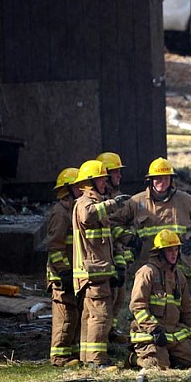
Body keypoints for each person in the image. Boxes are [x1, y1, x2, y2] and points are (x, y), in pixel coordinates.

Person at [72, 158, 130, 369]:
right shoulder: (85, 203)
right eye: (101, 180)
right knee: (101, 316)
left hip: (98, 270)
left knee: (90, 316)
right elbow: (88, 216)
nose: (105, 183)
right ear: (90, 183)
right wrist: (113, 203)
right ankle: (97, 360)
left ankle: (87, 358)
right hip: (93, 272)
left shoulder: (95, 203)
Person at [117, 157, 191, 278]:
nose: (162, 182)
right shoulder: (136, 202)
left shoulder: (185, 201)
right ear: (150, 180)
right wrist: (130, 240)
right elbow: (115, 223)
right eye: (158, 178)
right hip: (147, 265)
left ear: (171, 180)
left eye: (166, 178)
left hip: (178, 266)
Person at [128, 230, 191, 370]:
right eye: (169, 250)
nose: (174, 254)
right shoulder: (147, 272)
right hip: (150, 333)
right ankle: (134, 359)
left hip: (172, 333)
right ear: (160, 252)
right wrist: (154, 329)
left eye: (176, 249)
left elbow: (187, 309)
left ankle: (169, 355)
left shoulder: (179, 276)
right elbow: (137, 306)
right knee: (158, 366)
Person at [45, 167, 82, 366]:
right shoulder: (60, 213)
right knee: (65, 316)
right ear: (67, 189)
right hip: (61, 275)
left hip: (73, 272)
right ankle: (59, 357)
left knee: (75, 314)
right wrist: (64, 271)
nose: (83, 189)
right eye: (78, 186)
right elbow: (55, 246)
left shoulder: (75, 209)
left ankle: (72, 354)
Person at [97, 151, 135, 343]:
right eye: (116, 172)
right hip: (104, 257)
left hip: (118, 254)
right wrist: (127, 239)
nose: (120, 176)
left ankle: (110, 331)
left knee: (119, 296)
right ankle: (101, 337)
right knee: (109, 297)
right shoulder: (101, 201)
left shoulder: (117, 196)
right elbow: (112, 228)